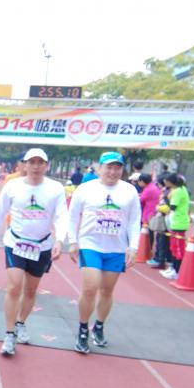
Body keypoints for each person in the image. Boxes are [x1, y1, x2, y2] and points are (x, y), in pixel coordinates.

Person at [0, 148, 68, 356]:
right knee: (14, 287)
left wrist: (60, 240)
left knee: (30, 290)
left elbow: (61, 216)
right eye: (32, 162)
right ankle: (9, 334)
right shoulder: (13, 186)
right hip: (16, 243)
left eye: (40, 162)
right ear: (24, 164)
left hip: (42, 246)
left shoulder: (56, 188)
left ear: (46, 165)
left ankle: (21, 323)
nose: (36, 166)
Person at [68, 151, 141, 354]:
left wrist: (133, 247)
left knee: (107, 290)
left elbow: (135, 220)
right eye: (108, 167)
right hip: (90, 244)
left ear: (122, 170)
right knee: (90, 288)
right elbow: (72, 216)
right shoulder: (86, 188)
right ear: (99, 168)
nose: (113, 171)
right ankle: (83, 329)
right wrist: (73, 241)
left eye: (117, 167)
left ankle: (98, 326)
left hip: (116, 248)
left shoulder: (129, 191)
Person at [159, 173, 190, 280]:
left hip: (179, 222)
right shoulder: (180, 189)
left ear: (170, 182)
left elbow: (172, 207)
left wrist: (162, 204)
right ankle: (173, 268)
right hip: (176, 222)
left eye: (166, 181)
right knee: (173, 247)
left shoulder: (178, 191)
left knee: (178, 248)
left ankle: (177, 271)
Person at [137, 174, 161, 256]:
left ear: (142, 181)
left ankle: (145, 249)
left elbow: (140, 200)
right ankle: (147, 249)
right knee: (149, 232)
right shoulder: (153, 187)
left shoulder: (148, 189)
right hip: (152, 211)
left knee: (146, 231)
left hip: (149, 212)